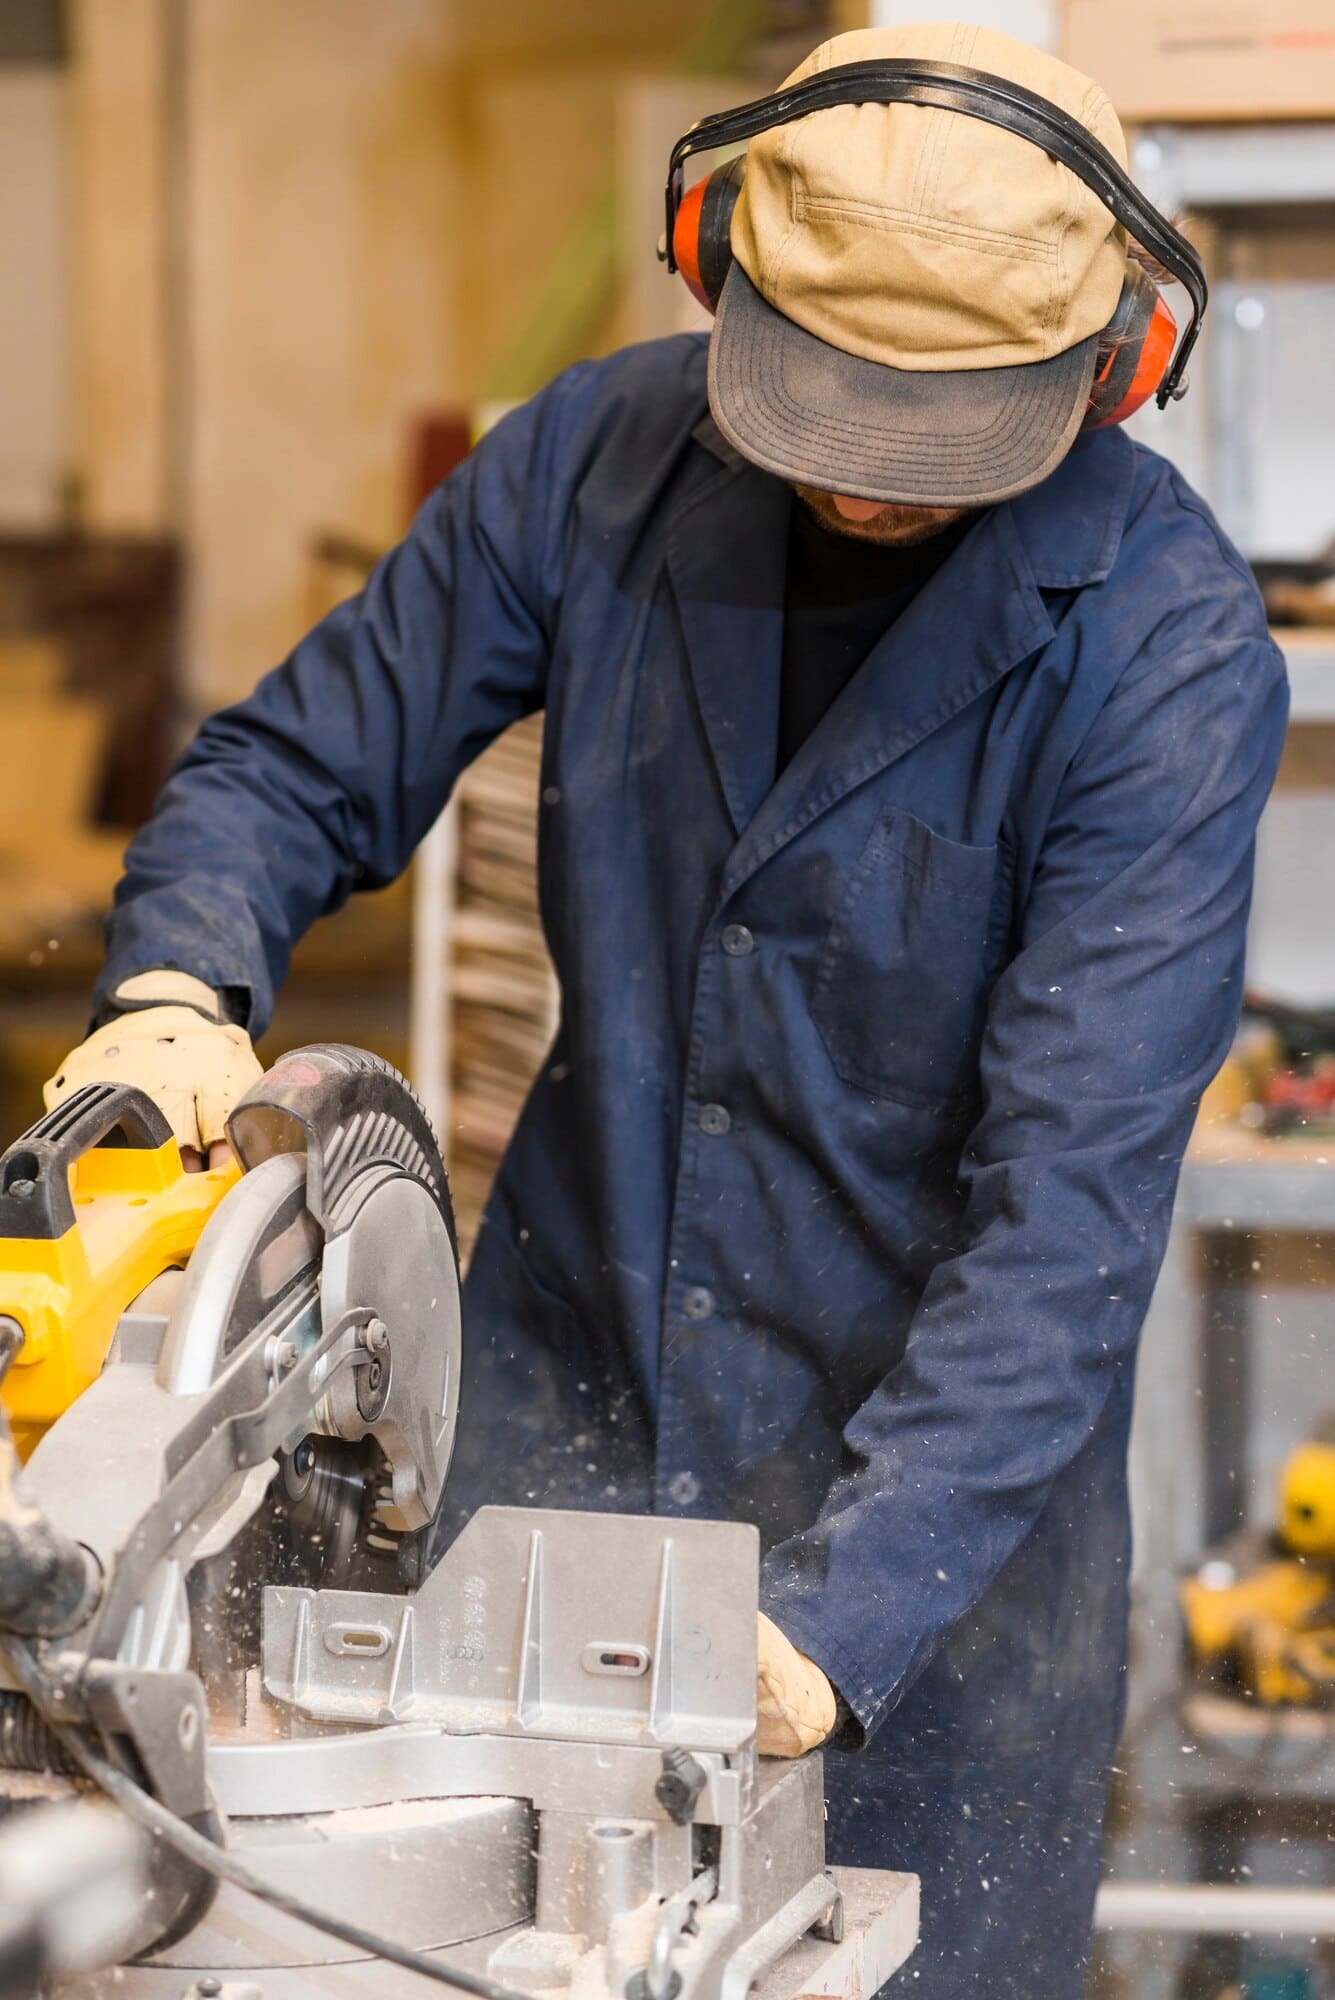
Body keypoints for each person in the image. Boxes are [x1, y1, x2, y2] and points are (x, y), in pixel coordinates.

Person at [48, 22, 1286, 1996]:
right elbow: (289, 769)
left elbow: (1063, 1223)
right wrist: (177, 982)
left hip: (928, 1577)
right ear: (718, 268)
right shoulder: (593, 459)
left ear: (1111, 362)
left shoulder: (1162, 650)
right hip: (556, 1448)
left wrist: (834, 1614)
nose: (869, 485)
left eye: (931, 434)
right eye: (826, 409)